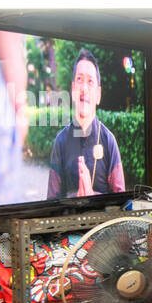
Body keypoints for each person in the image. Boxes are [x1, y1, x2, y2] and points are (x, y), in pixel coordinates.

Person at [46, 48, 125, 199]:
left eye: (90, 82)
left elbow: (122, 201)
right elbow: (51, 201)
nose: (84, 88)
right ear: (73, 89)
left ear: (98, 94)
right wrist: (76, 197)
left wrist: (92, 195)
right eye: (80, 80)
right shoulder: (61, 141)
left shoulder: (109, 141)